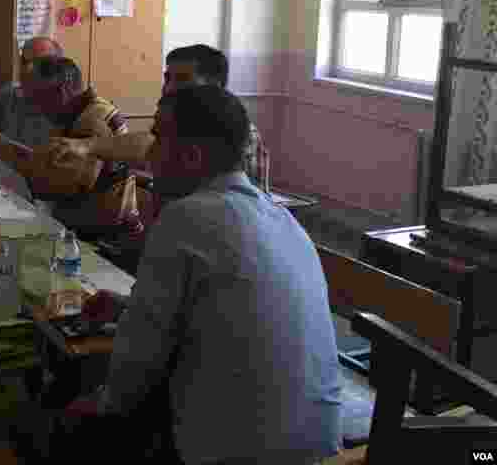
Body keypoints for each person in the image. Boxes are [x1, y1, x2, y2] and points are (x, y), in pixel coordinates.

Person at [58, 86, 342, 465]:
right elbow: (219, 313)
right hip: (318, 447)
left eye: (158, 137)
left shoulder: (185, 217)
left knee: (67, 422)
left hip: (239, 454)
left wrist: (101, 403)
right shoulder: (282, 219)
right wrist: (127, 308)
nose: (149, 152)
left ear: (191, 157)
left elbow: (137, 360)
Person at [47, 43, 271, 203]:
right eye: (167, 78)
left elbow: (149, 144)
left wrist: (87, 145)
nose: (169, 88)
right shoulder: (184, 124)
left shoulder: (233, 129)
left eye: (182, 79)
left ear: (215, 86)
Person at [0, 57, 139, 242]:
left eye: (40, 98)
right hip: (91, 228)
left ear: (62, 91)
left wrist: (9, 154)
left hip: (107, 240)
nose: (38, 108)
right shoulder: (79, 113)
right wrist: (10, 150)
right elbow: (51, 163)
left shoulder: (92, 120)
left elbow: (57, 186)